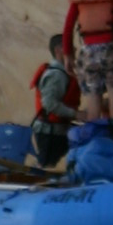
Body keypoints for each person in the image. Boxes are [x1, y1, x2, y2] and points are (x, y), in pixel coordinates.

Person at [30, 34, 79, 169]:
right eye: (70, 47)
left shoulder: (63, 73)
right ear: (59, 50)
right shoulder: (56, 75)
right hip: (49, 132)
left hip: (59, 130)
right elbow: (49, 104)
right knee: (45, 167)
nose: (74, 49)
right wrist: (75, 114)